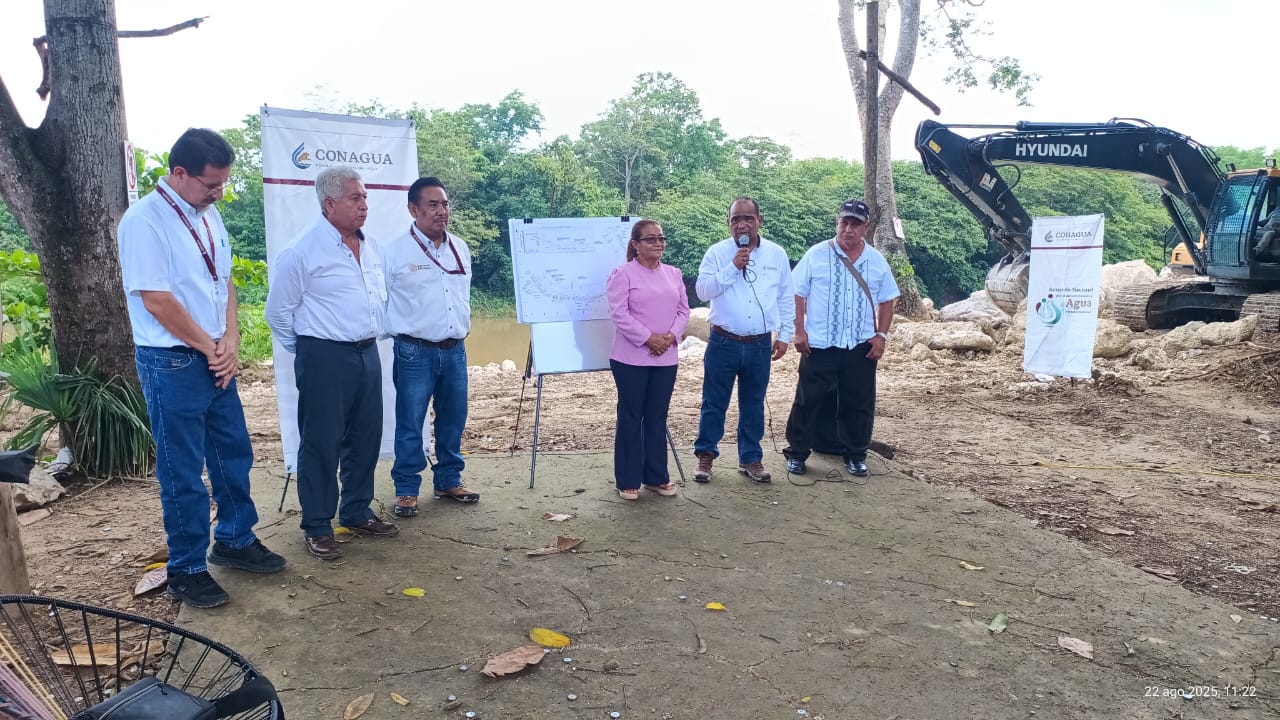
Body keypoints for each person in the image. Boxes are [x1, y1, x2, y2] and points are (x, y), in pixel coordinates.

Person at [119, 128, 286, 608]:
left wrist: (230, 339)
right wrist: (209, 347)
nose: (219, 193)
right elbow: (156, 299)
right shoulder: (145, 221)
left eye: (223, 184)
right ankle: (186, 568)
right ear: (179, 173)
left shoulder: (209, 217)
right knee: (183, 471)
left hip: (213, 355)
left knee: (233, 453)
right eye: (211, 184)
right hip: (172, 361)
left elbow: (224, 282)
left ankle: (234, 540)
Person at [265, 166, 399, 561]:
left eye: (365, 197)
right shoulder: (301, 251)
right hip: (323, 355)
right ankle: (318, 525)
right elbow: (279, 313)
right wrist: (310, 350)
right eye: (355, 198)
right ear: (329, 204)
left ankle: (356, 510)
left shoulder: (370, 246)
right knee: (321, 442)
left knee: (366, 436)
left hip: (366, 353)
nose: (364, 205)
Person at [383, 177, 480, 517]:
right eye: (433, 205)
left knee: (453, 418)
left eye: (445, 204)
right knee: (410, 421)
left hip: (455, 349)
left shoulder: (460, 247)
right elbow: (379, 300)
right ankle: (407, 489)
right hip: (414, 351)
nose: (442, 212)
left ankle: (449, 480)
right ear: (413, 209)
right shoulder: (393, 252)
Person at [783, 198, 899, 477]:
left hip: (860, 345)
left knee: (858, 402)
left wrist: (881, 336)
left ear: (865, 228)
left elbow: (888, 300)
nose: (848, 229)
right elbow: (797, 292)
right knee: (807, 400)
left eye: (855, 224)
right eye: (843, 222)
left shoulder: (876, 260)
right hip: (820, 343)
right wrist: (799, 330)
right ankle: (797, 452)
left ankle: (855, 454)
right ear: (837, 223)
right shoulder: (817, 254)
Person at [692, 197, 795, 483]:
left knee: (753, 402)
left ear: (759, 221)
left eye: (748, 218)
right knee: (714, 403)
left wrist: (785, 335)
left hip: (760, 343)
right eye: (736, 219)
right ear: (729, 223)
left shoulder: (776, 254)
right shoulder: (716, 253)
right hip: (723, 341)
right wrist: (732, 267)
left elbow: (786, 297)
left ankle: (750, 458)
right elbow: (702, 291)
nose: (742, 224)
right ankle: (706, 456)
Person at [606, 220, 690, 500]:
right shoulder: (623, 274)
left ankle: (656, 477)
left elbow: (683, 311)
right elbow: (619, 314)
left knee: (657, 417)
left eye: (661, 238)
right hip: (631, 358)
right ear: (635, 244)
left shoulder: (674, 274)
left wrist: (670, 336)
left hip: (666, 357)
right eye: (650, 239)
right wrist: (647, 338)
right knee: (631, 417)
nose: (658, 243)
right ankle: (627, 479)